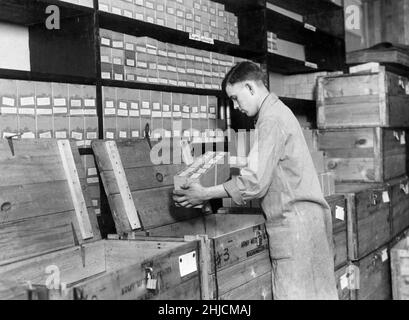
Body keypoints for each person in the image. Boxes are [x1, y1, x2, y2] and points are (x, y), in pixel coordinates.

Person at [173, 61, 338, 300]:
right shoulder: (279, 112)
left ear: (250, 88)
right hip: (307, 224)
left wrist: (205, 193)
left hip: (295, 229)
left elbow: (254, 183)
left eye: (236, 98)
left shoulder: (270, 120)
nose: (235, 106)